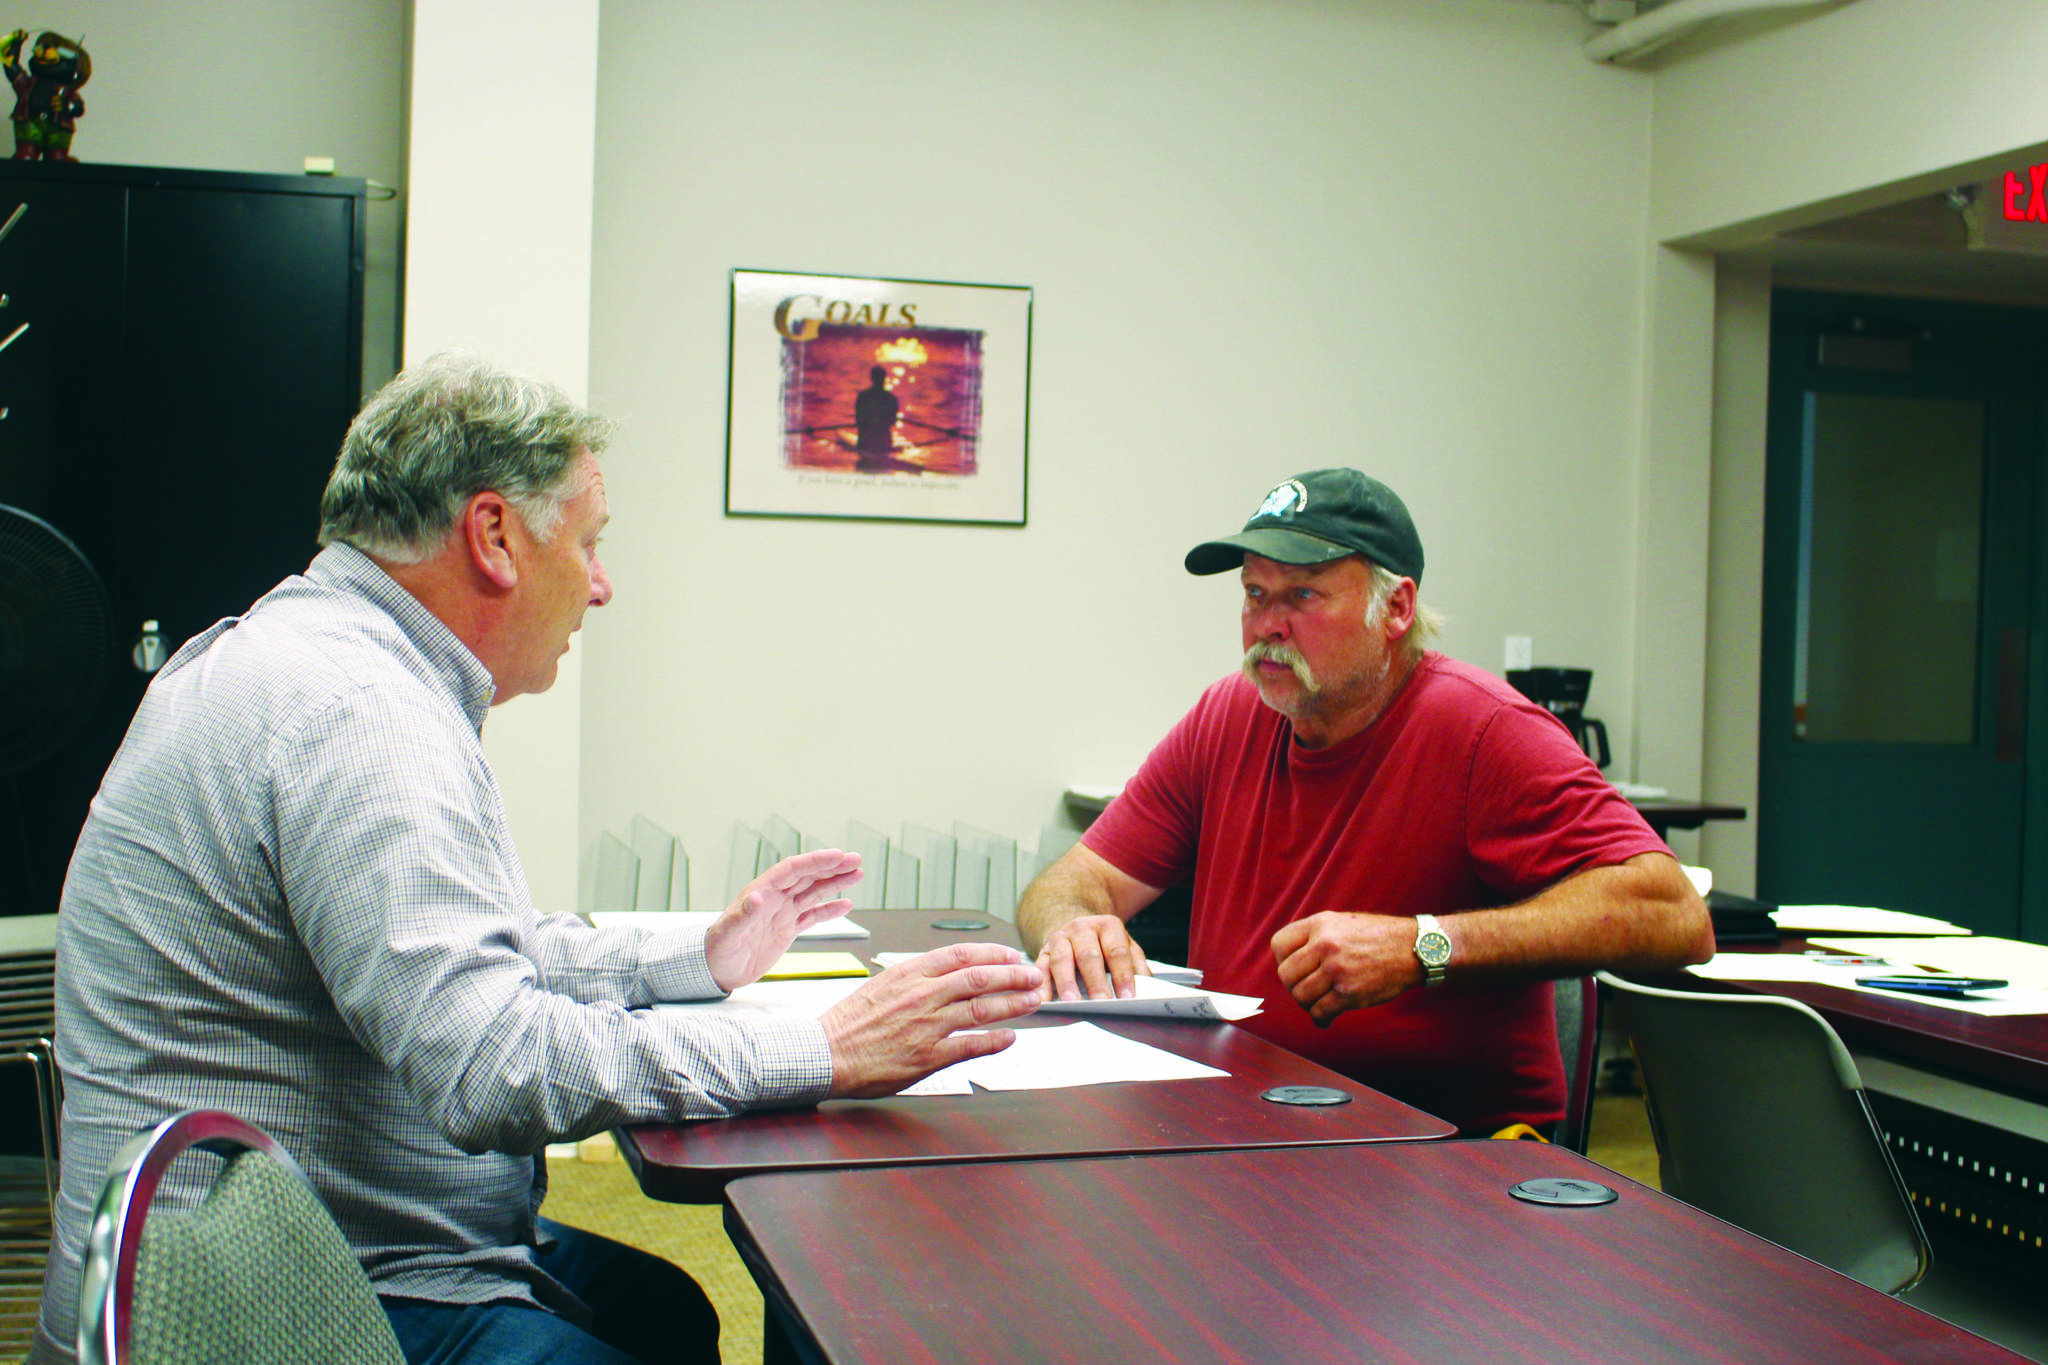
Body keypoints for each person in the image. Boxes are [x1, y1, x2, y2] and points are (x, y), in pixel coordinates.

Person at [30, 353, 1044, 1365]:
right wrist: (820, 1051)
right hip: (268, 1307)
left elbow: (459, 955)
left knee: (668, 1318)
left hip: (296, 1245)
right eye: (590, 543)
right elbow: (492, 1066)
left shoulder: (311, 659)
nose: (601, 588)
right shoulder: (360, 717)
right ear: (495, 536)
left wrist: (701, 959)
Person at [1017, 467, 1713, 1137]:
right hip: (1251, 1121)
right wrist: (1072, 924)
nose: (1269, 625)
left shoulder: (1482, 729)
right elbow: (1068, 882)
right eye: (1255, 595)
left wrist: (1424, 945)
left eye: (1303, 596)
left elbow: (1674, 912)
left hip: (1441, 1158)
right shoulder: (1229, 715)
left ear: (1397, 608)